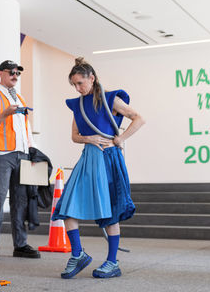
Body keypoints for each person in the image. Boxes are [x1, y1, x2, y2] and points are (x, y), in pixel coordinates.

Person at [52, 57, 144, 279]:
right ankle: (78, 254)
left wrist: (120, 138)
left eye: (80, 83)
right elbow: (75, 136)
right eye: (73, 84)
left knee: (111, 212)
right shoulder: (78, 104)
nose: (77, 88)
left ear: (91, 78)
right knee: (67, 206)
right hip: (88, 158)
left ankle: (112, 262)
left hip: (109, 158)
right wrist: (89, 138)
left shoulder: (110, 99)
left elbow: (138, 118)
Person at [0, 60, 41, 261]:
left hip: (21, 153)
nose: (15, 75)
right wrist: (3, 115)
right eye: (11, 72)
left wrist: (30, 148)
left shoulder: (20, 98)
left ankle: (20, 245)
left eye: (18, 73)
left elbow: (25, 126)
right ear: (1, 73)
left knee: (20, 201)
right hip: (0, 154)